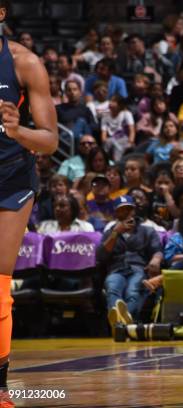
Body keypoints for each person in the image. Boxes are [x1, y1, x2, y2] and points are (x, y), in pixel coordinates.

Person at [0, 0, 59, 395]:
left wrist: (18, 131)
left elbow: (50, 140)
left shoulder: (24, 63)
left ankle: (1, 384)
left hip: (11, 181)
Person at [97, 195, 163, 330]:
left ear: (134, 210)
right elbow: (101, 256)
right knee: (112, 287)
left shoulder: (147, 231)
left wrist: (156, 260)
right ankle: (124, 325)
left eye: (129, 209)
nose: (126, 213)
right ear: (116, 213)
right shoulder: (110, 231)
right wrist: (115, 233)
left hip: (137, 268)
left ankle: (119, 326)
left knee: (133, 291)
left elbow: (157, 250)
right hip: (116, 269)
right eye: (122, 210)